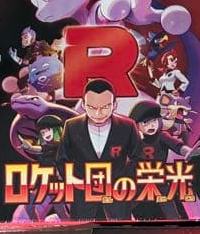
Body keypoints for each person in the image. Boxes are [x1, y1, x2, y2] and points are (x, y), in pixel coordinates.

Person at [55, 80, 141, 220]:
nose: (98, 113)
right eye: (92, 107)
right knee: (81, 231)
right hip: (83, 193)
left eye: (105, 107)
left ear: (114, 105)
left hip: (117, 192)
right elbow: (62, 159)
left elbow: (138, 157)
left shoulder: (127, 126)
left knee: (121, 231)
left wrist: (126, 181)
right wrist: (75, 180)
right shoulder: (71, 126)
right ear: (83, 105)